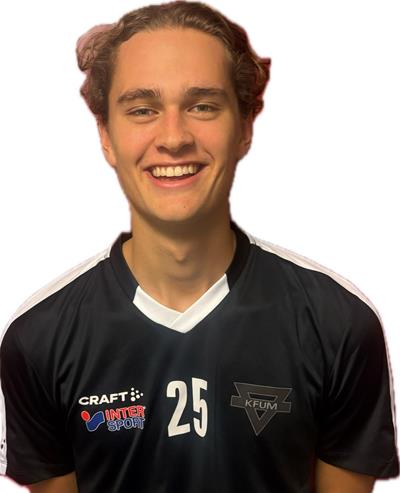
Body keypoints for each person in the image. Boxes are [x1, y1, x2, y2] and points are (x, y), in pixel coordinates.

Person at [0, 1, 398, 491]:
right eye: (142, 110)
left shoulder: (339, 324)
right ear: (105, 135)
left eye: (203, 106)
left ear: (245, 127)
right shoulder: (37, 339)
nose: (173, 138)